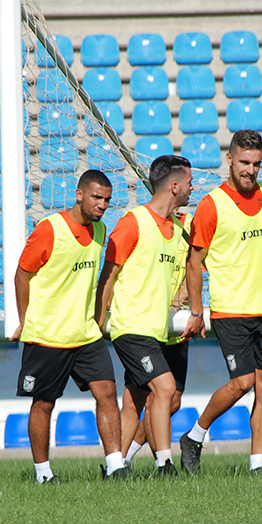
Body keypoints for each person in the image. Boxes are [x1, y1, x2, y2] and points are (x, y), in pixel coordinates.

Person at [180, 129, 262, 475]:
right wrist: (197, 310)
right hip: (230, 309)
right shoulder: (212, 205)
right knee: (243, 382)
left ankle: (258, 465)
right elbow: (194, 262)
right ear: (229, 159)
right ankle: (194, 436)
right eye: (244, 162)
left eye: (256, 164)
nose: (250, 170)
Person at [10, 169, 127, 483]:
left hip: (85, 333)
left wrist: (97, 318)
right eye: (96, 197)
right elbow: (22, 274)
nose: (102, 205)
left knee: (106, 391)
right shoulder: (50, 228)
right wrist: (26, 321)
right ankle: (43, 474)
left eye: (106, 200)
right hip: (48, 334)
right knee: (44, 403)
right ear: (79, 195)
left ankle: (116, 466)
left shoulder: (100, 231)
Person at [96, 155, 193, 478]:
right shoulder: (133, 221)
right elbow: (108, 274)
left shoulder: (178, 228)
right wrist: (99, 319)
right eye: (189, 181)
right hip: (132, 328)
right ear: (175, 186)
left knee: (134, 400)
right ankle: (164, 463)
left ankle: (115, 467)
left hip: (157, 331)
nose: (193, 187)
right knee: (165, 388)